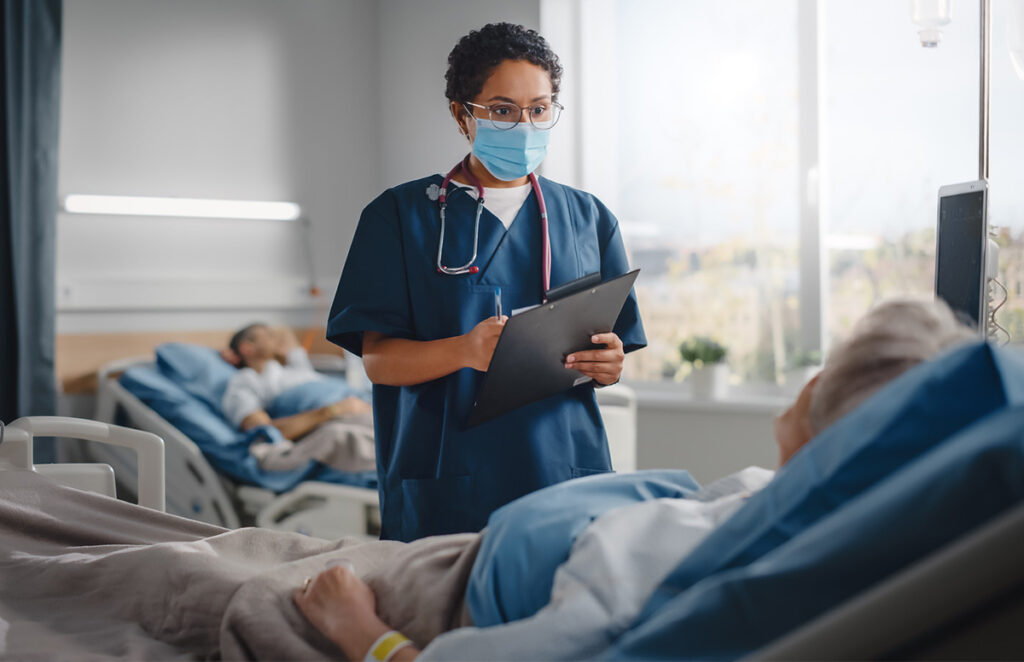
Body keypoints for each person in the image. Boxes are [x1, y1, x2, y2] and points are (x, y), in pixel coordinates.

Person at [295, 298, 977, 661]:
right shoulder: (790, 515)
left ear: (825, 397)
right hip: (459, 559)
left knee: (237, 570)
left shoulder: (674, 569)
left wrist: (360, 631)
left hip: (435, 601)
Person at [327, 23, 647, 541]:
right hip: (450, 481)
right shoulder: (399, 217)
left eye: (539, 109)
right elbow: (379, 362)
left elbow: (611, 350)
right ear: (462, 114)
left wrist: (608, 366)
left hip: (563, 471)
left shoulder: (589, 219)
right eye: (502, 110)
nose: (524, 125)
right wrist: (464, 350)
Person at [221, 323, 371, 439]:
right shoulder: (245, 379)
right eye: (269, 335)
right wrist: (332, 411)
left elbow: (287, 334)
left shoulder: (294, 369)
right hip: (342, 411)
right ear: (247, 348)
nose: (278, 338)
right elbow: (264, 431)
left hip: (359, 399)